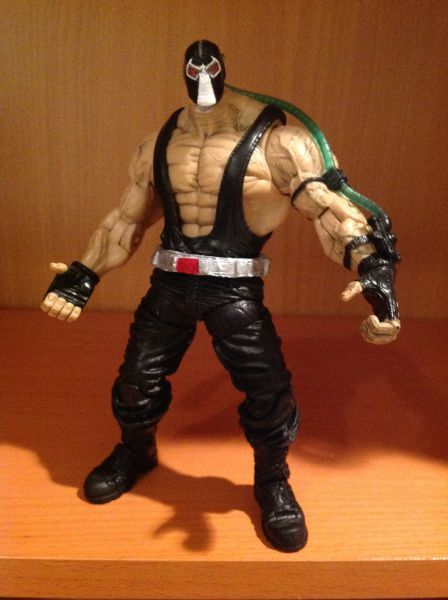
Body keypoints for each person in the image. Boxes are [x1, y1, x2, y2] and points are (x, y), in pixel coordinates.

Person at [41, 40, 400, 552]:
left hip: (234, 290)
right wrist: (83, 276)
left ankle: (272, 480)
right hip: (170, 283)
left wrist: (373, 270)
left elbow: (329, 210)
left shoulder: (281, 143)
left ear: (223, 69)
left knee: (268, 392)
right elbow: (126, 221)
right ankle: (135, 452)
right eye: (195, 68)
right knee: (135, 384)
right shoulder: (160, 143)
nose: (203, 76)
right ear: (184, 73)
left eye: (210, 67)